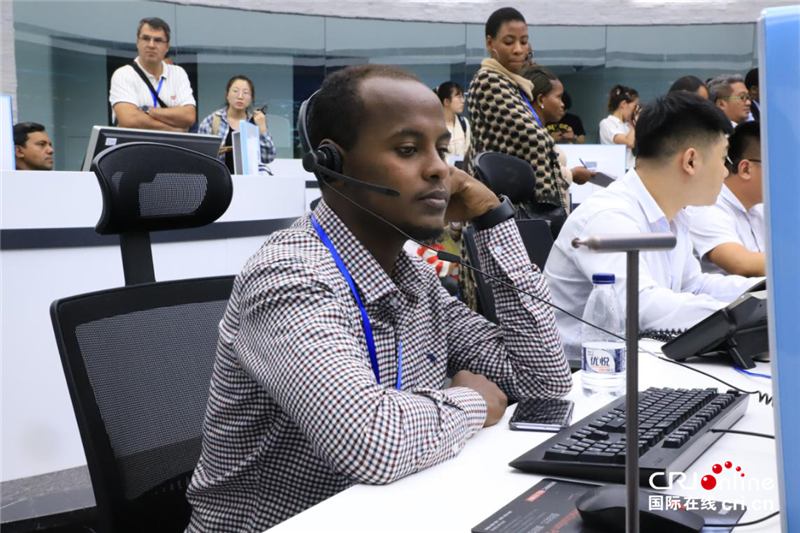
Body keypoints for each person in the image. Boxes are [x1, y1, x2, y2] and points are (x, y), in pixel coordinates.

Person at [185, 64, 572, 532]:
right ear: (333, 164)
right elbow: (370, 441)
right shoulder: (289, 277)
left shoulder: (415, 279)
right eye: (408, 150)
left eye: (442, 149)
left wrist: (492, 218)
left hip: (399, 511)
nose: (440, 171)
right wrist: (468, 401)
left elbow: (545, 385)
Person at [545, 92, 758, 361]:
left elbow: (694, 285)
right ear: (690, 161)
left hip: (638, 359)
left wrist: (762, 295)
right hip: (584, 377)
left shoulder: (675, 215)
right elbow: (639, 307)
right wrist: (741, 315)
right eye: (723, 159)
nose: (727, 172)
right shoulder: (609, 216)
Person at [465, 7, 568, 212]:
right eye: (509, 42)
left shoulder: (514, 85)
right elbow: (535, 139)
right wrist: (554, 188)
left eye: (524, 41)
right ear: (489, 43)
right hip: (502, 206)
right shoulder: (489, 80)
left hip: (509, 203)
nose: (519, 49)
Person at [687, 121, 764, 276]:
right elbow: (740, 263)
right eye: (779, 166)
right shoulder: (706, 207)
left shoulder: (760, 208)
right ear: (745, 169)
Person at [109, 17, 196, 131]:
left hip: (169, 148)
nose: (151, 45)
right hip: (135, 147)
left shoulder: (178, 73)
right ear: (137, 42)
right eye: (146, 38)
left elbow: (188, 116)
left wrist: (147, 110)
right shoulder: (124, 74)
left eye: (158, 40)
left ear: (167, 47)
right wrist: (174, 130)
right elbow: (129, 119)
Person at [519, 65, 594, 197]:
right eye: (558, 97)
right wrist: (573, 174)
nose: (562, 104)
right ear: (541, 99)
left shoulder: (537, 130)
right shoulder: (531, 134)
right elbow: (538, 181)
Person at [197, 75, 277, 173]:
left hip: (248, 183)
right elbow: (199, 158)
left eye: (246, 92)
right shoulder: (212, 121)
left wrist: (262, 128)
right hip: (219, 181)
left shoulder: (255, 123)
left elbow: (268, 157)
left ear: (251, 98)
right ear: (227, 95)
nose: (240, 96)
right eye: (235, 91)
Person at [599, 85, 639, 171]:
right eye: (635, 106)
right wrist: (635, 121)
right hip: (617, 171)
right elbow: (629, 142)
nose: (635, 110)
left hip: (633, 170)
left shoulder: (628, 125)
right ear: (624, 104)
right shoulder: (607, 123)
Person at [434, 82, 471, 158]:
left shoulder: (463, 122)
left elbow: (466, 152)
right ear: (446, 101)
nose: (463, 101)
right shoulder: (434, 126)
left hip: (461, 169)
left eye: (463, 96)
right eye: (459, 97)